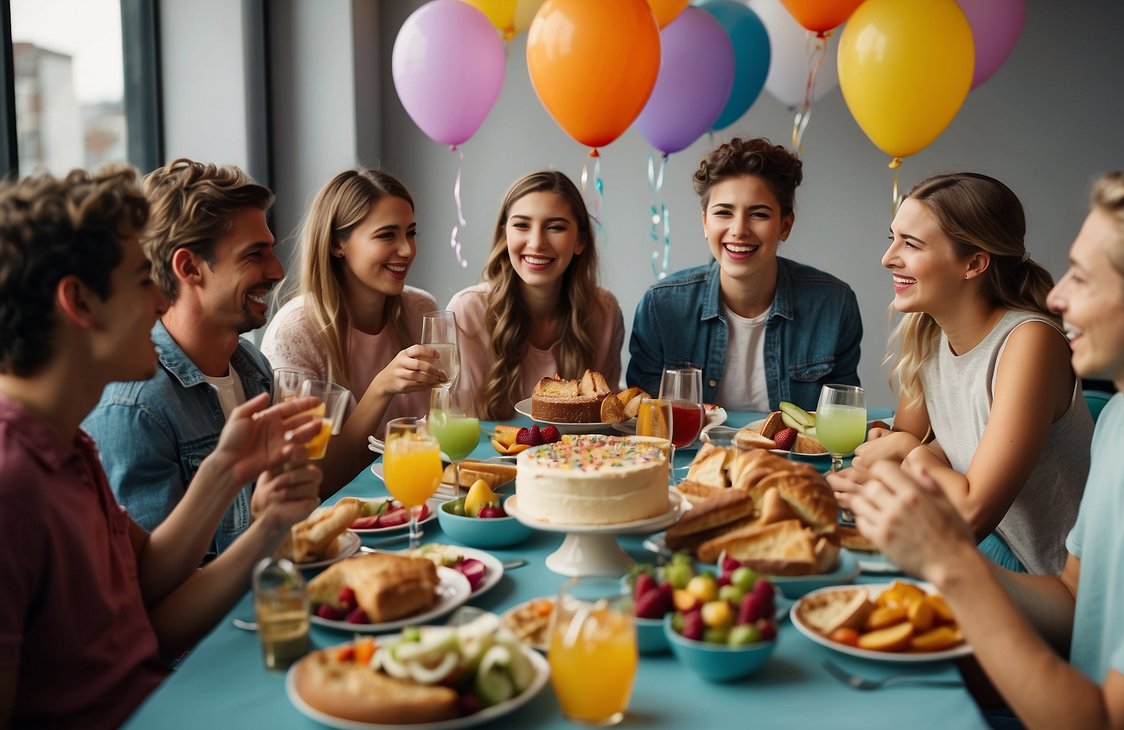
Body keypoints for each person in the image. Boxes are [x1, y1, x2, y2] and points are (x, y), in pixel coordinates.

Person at [850, 171, 1124, 730]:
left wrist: (951, 562)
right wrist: (926, 555)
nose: (1058, 297)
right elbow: (1074, 606)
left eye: (1082, 277)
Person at [0, 168, 322, 730]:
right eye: (143, 282)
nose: (159, 304)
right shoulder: (12, 482)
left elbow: (143, 599)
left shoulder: (68, 447)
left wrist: (244, 496)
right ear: (79, 304)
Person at [830, 172, 1092, 575]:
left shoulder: (1029, 343)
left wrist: (914, 456)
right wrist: (913, 451)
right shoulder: (927, 329)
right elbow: (905, 439)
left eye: (911, 244)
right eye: (892, 238)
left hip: (1046, 580)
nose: (888, 258)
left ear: (973, 263)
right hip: (980, 552)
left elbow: (970, 514)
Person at [82, 159, 290, 558]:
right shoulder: (135, 407)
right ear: (189, 267)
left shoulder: (254, 367)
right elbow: (159, 590)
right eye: (255, 254)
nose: (277, 270)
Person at [626, 136, 861, 411]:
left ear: (785, 225)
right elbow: (643, 423)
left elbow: (843, 417)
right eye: (723, 212)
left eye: (758, 214)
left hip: (792, 456)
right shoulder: (661, 307)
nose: (739, 229)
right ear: (705, 222)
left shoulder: (833, 305)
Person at [261, 169, 445, 492]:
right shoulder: (293, 336)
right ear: (337, 244)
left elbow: (440, 433)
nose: (407, 250)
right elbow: (314, 482)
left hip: (420, 499)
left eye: (411, 233)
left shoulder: (421, 310)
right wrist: (381, 388)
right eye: (387, 235)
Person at [448, 169, 624, 420]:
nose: (536, 242)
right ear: (504, 235)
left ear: (580, 241)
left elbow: (604, 419)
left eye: (555, 227)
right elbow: (459, 421)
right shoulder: (467, 311)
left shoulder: (604, 312)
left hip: (574, 458)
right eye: (521, 225)